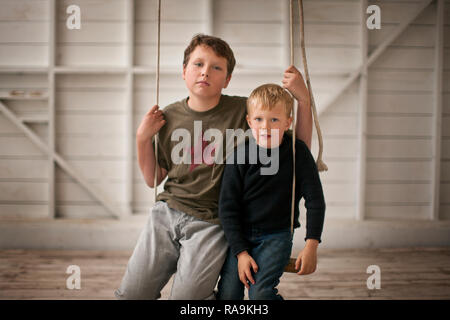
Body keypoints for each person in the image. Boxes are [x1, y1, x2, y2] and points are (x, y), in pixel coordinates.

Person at [114, 34, 313, 300]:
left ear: (227, 79)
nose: (205, 71)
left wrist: (304, 101)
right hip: (167, 214)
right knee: (130, 296)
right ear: (184, 71)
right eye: (198, 64)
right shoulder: (169, 117)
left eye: (216, 67)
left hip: (212, 222)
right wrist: (142, 138)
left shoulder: (245, 112)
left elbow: (297, 151)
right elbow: (153, 179)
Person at [217, 83, 325, 300]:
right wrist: (241, 252)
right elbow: (227, 208)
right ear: (249, 122)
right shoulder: (240, 156)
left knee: (260, 294)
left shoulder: (298, 152)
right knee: (228, 294)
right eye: (259, 119)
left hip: (276, 235)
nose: (265, 126)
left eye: (274, 119)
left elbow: (315, 201)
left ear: (288, 122)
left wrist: (311, 244)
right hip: (240, 237)